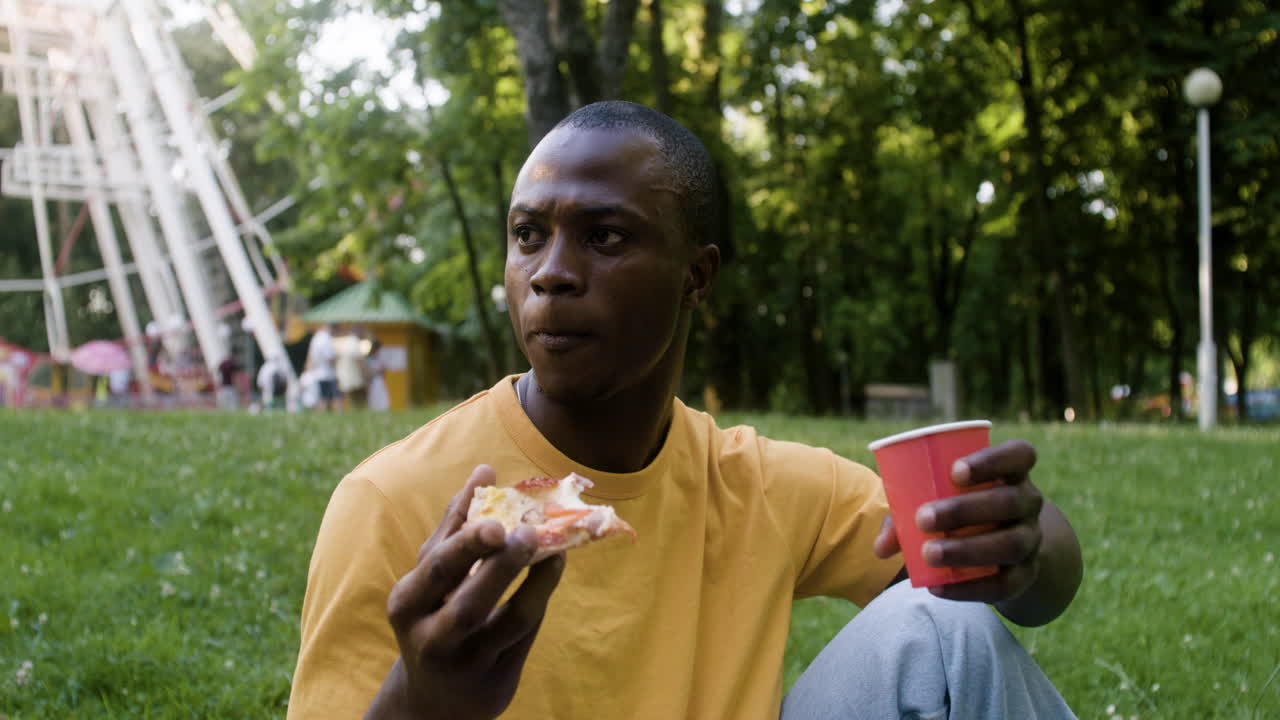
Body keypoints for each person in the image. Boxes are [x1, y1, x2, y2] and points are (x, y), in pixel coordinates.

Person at [287, 102, 1083, 720]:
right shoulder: (394, 502)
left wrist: (1018, 551)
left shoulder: (757, 486)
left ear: (696, 278)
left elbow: (1038, 576)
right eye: (529, 235)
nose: (550, 274)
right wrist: (421, 707)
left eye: (604, 237)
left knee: (950, 630)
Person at [304, 324, 338, 411]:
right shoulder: (326, 339)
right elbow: (330, 358)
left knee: (322, 397)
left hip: (317, 372)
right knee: (334, 397)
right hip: (327, 373)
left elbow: (310, 356)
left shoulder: (316, 338)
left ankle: (320, 414)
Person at [365, 339, 390, 411]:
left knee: (381, 396)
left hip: (379, 379)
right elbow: (368, 370)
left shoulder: (380, 356)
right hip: (372, 380)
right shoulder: (369, 358)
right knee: (374, 396)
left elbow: (383, 369)